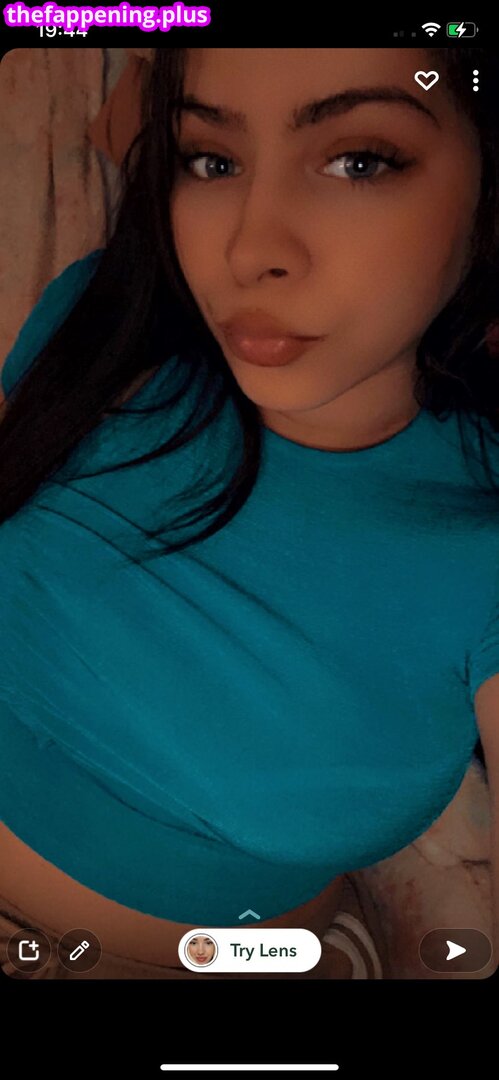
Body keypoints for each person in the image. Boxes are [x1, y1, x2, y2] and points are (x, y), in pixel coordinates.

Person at [0, 46, 498, 981]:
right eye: (213, 160)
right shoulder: (103, 326)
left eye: (358, 160)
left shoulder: (478, 527)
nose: (246, 249)